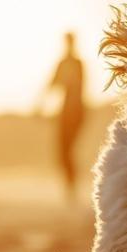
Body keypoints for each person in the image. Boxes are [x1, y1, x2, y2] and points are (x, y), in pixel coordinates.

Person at [51, 32, 85, 201]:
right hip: (65, 110)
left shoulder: (78, 63)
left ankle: (72, 188)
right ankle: (70, 187)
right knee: (63, 150)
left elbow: (79, 85)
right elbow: (52, 84)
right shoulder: (63, 63)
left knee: (68, 149)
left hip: (76, 109)